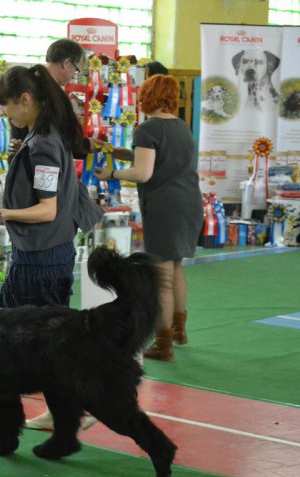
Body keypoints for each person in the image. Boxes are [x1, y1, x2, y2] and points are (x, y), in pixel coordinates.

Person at [0, 64, 103, 431]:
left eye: (6, 106)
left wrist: (1, 215)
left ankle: (64, 409)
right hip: (47, 255)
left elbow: (47, 210)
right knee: (39, 342)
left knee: (24, 340)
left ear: (26, 100)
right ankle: (55, 408)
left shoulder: (44, 144)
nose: (4, 113)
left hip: (40, 260)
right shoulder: (44, 137)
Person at [95, 74, 203, 362]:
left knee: (161, 277)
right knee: (176, 268)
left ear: (148, 96)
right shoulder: (182, 127)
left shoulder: (148, 129)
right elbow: (162, 161)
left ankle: (163, 342)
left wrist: (113, 173)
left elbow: (144, 173)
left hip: (165, 208)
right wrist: (128, 154)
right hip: (190, 203)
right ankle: (179, 330)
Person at [9, 39, 87, 153]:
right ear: (66, 63)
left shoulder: (31, 81)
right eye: (76, 70)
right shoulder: (47, 92)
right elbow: (57, 136)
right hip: (41, 159)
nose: (74, 75)